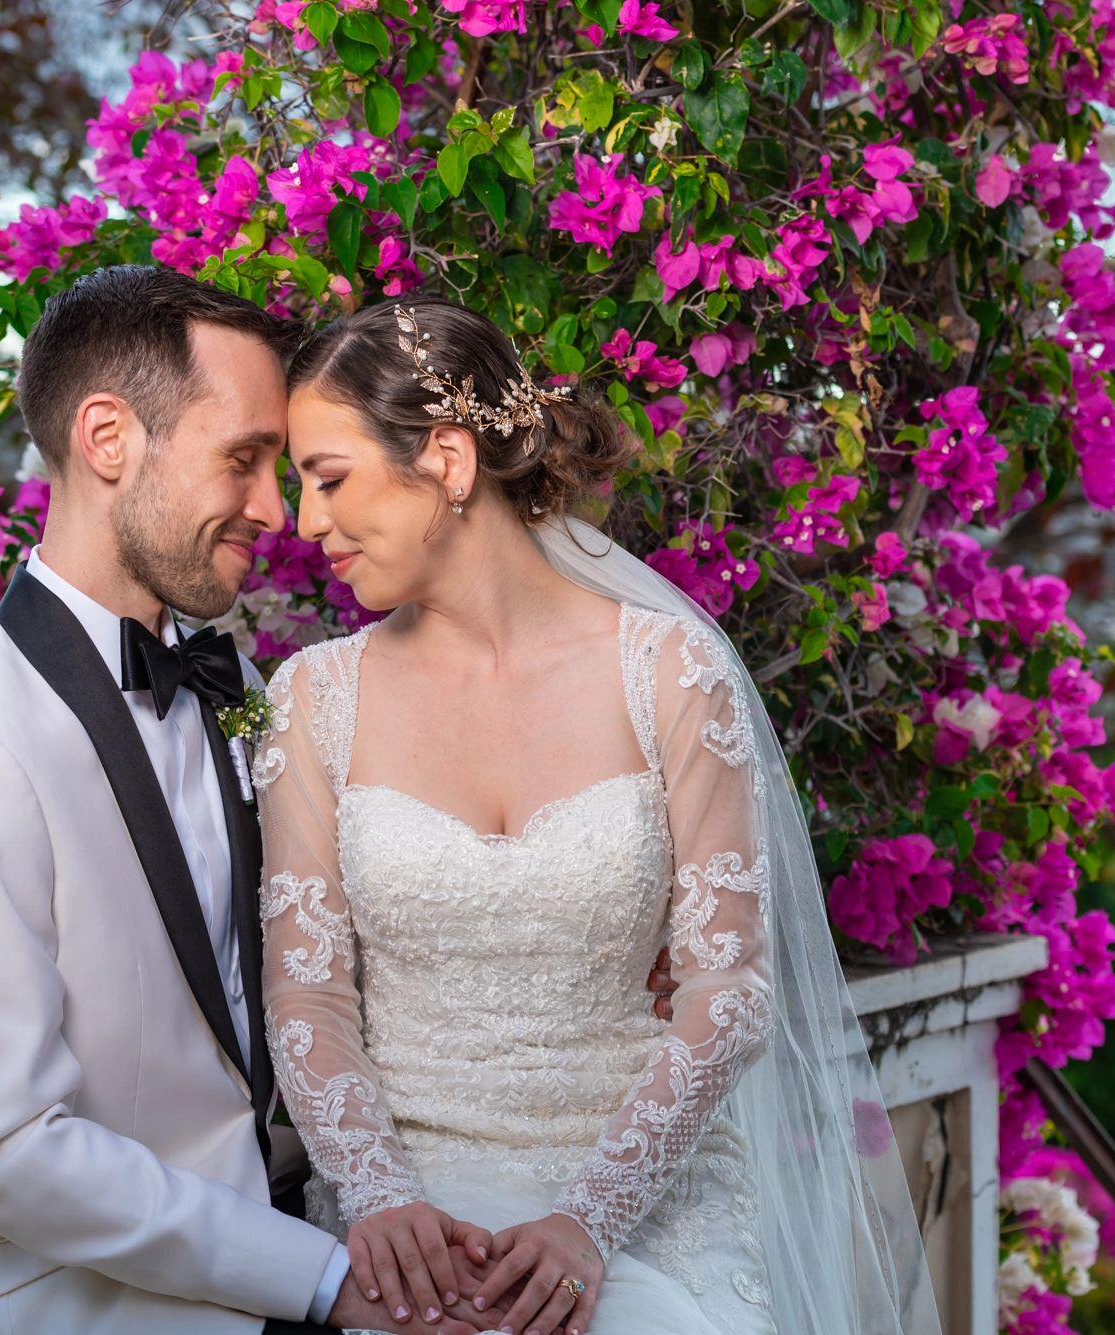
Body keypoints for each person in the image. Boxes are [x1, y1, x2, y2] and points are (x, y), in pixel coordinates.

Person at [0, 267, 544, 1335]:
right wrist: (323, 1281)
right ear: (108, 439)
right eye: (243, 459)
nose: (277, 510)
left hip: (301, 1261)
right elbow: (6, 1148)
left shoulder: (240, 690)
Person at [257, 298, 939, 1335]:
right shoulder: (313, 700)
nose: (307, 523)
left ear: (445, 458)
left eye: (328, 479)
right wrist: (379, 1194)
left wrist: (588, 1217)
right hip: (415, 1207)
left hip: (643, 1199)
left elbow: (729, 989)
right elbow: (307, 999)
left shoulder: (668, 672)